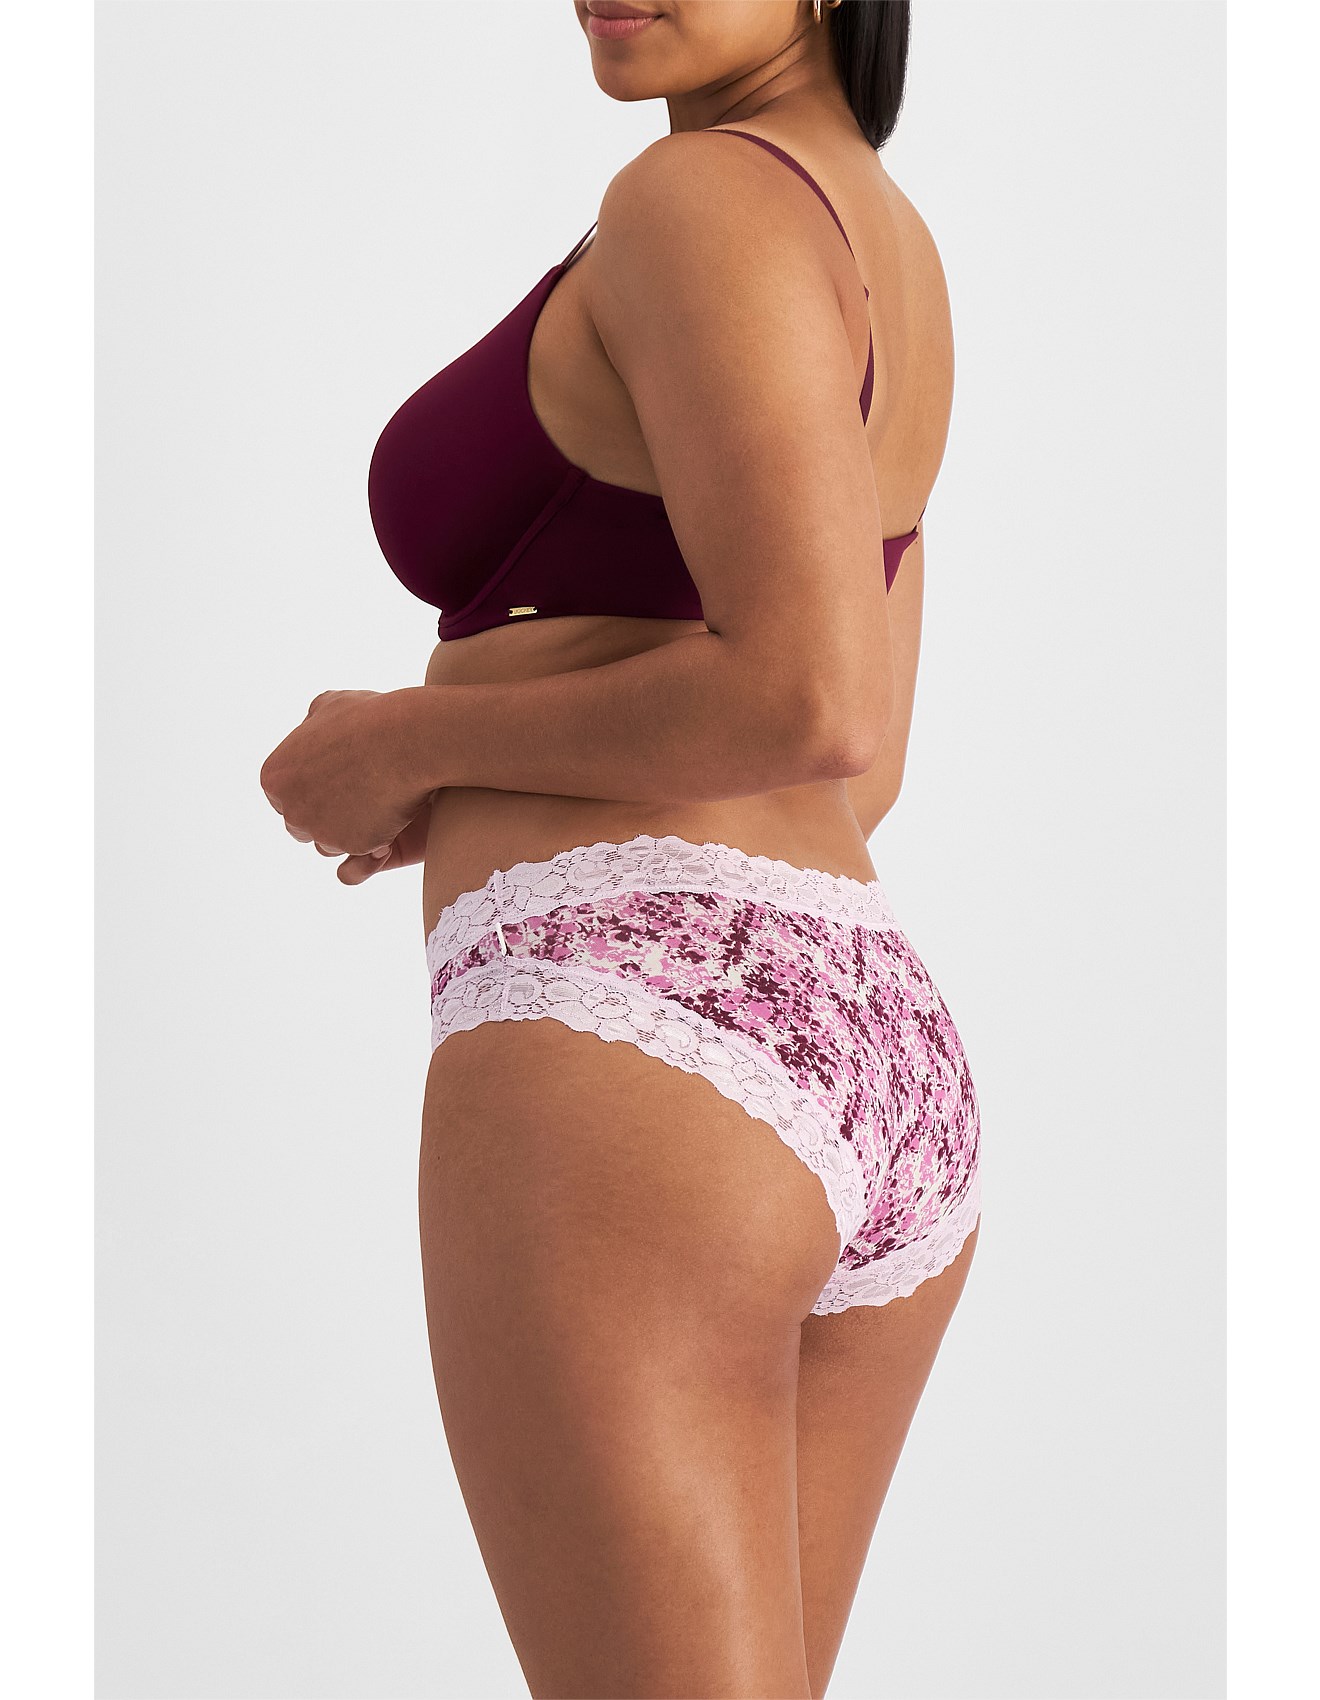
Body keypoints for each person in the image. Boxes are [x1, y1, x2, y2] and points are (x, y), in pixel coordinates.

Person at [261, 3, 981, 1693]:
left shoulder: (701, 202)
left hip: (642, 1029)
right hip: (871, 1039)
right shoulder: (883, 237)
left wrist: (410, 744)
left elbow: (811, 701)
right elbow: (867, 761)